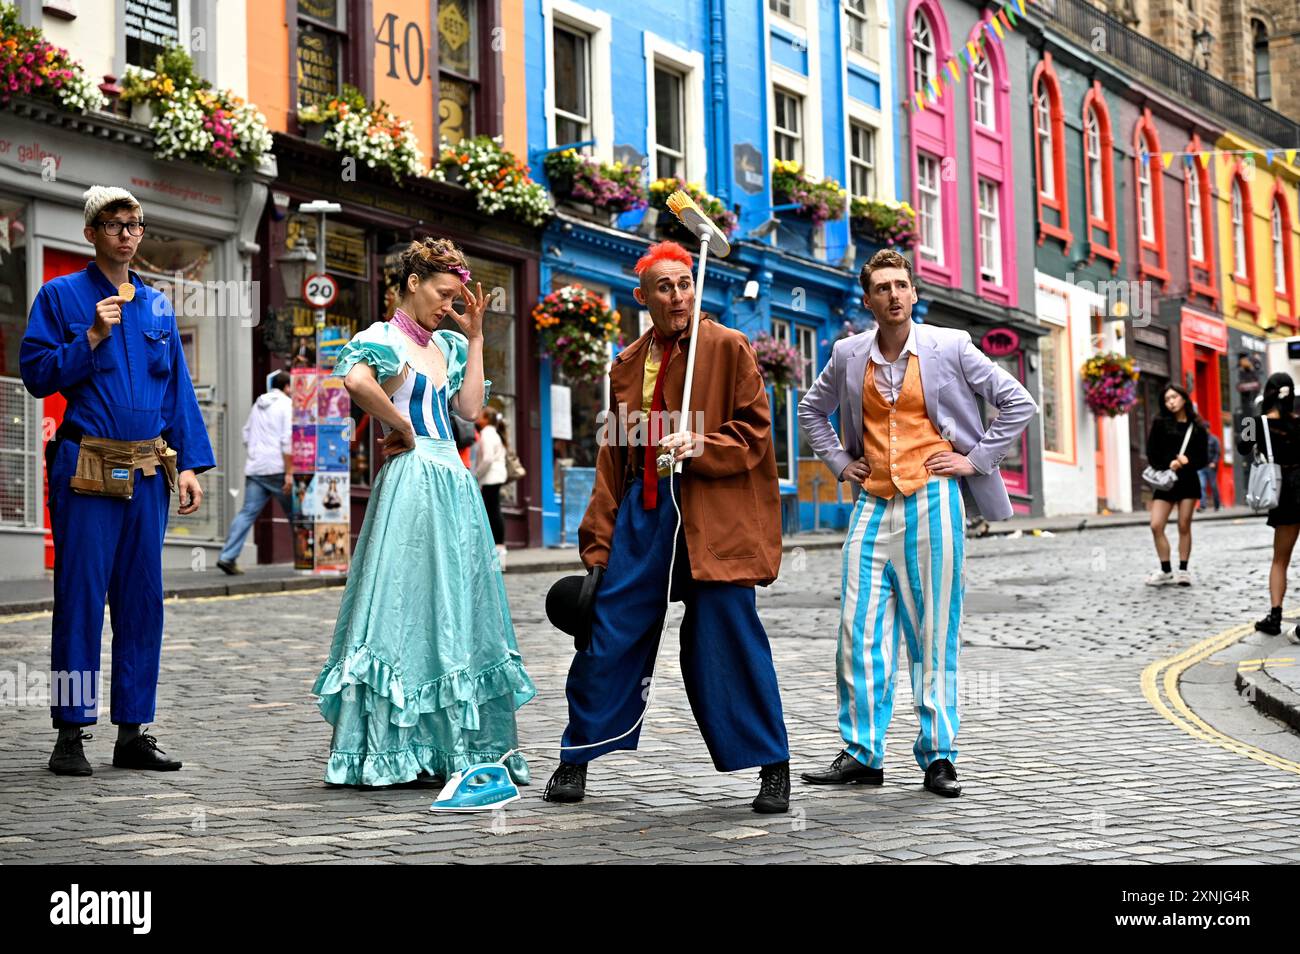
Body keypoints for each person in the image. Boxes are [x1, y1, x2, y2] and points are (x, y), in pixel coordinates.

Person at [542, 241, 792, 814]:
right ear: (643, 297)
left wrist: (701, 444)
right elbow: (612, 455)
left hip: (710, 515)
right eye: (665, 287)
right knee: (609, 627)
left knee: (726, 632)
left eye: (685, 284)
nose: (678, 296)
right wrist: (599, 542)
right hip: (645, 511)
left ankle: (771, 764)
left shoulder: (727, 347)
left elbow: (755, 434)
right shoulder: (626, 365)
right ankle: (576, 756)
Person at [797, 249, 1036, 798]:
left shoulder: (948, 346)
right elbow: (812, 410)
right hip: (872, 502)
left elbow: (1016, 402)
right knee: (856, 633)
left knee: (933, 632)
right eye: (882, 288)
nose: (894, 295)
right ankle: (862, 754)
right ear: (868, 300)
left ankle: (938, 757)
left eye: (902, 285)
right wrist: (840, 462)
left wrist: (973, 460)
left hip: (933, 500)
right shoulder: (847, 352)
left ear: (914, 294)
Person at [312, 237, 534, 786]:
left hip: (454, 484)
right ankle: (395, 748)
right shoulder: (383, 338)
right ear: (412, 283)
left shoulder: (449, 347)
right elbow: (357, 380)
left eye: (456, 299)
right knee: (404, 605)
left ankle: (446, 747)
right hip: (412, 479)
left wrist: (476, 336)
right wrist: (402, 425)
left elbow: (470, 407)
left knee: (454, 607)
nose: (448, 307)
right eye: (442, 295)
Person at [20, 186, 211, 776]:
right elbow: (36, 373)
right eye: (114, 224)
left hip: (149, 470)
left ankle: (133, 732)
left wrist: (193, 467)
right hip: (86, 469)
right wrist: (91, 339)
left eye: (135, 224)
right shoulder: (60, 296)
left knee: (142, 602)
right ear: (91, 232)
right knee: (80, 600)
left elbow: (177, 388)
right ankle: (71, 734)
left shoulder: (156, 307)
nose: (127, 233)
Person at [1239, 374, 1300, 640]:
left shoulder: (1255, 422)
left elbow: (1243, 448)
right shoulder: (1298, 422)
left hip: (1283, 493)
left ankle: (1274, 617)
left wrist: (1253, 416)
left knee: (1280, 560)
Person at [217, 371, 293, 574]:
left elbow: (246, 433)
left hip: (255, 468)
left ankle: (227, 556)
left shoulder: (258, 405)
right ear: (287, 387)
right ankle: (307, 557)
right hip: (277, 469)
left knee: (246, 513)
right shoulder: (287, 405)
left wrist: (254, 454)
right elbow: (287, 439)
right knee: (298, 513)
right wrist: (289, 472)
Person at [1144, 384, 1210, 587]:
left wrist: (1188, 460)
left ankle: (1183, 570)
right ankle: (1165, 570)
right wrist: (1168, 463)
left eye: (1174, 397)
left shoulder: (1197, 426)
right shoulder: (1159, 423)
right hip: (1166, 482)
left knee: (1184, 525)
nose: (1171, 402)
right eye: (1166, 399)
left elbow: (1203, 457)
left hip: (1188, 481)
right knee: (1156, 525)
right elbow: (1151, 453)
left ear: (1183, 398)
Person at [475, 407, 507, 563]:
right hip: (496, 476)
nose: (477, 417)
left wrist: (475, 475)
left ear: (486, 419)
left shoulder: (487, 433)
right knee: (494, 512)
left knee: (492, 513)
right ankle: (498, 557)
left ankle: (498, 558)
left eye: (480, 414)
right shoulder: (494, 433)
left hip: (490, 477)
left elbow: (487, 459)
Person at [1198, 431, 1222, 512]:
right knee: (1202, 486)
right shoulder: (1199, 439)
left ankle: (1217, 505)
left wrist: (1214, 462)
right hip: (1201, 467)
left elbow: (1218, 452)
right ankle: (1202, 506)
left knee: (1213, 486)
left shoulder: (1214, 439)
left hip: (1211, 467)